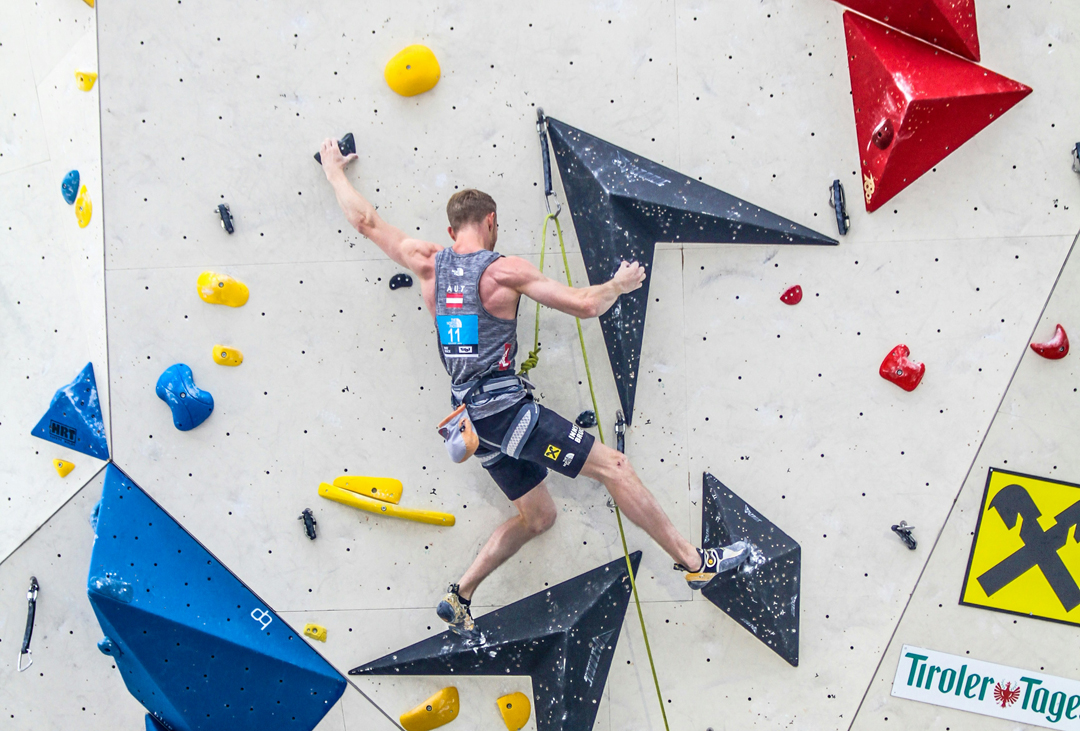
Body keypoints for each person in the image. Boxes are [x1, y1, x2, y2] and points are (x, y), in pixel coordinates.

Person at [320, 138, 749, 634]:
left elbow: (366, 221)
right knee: (615, 468)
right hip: (504, 412)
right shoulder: (503, 271)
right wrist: (618, 285)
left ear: (450, 228)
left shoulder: (427, 262)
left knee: (539, 517)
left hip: (469, 421)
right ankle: (695, 563)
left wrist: (334, 171)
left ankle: (460, 595)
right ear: (491, 222)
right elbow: (585, 305)